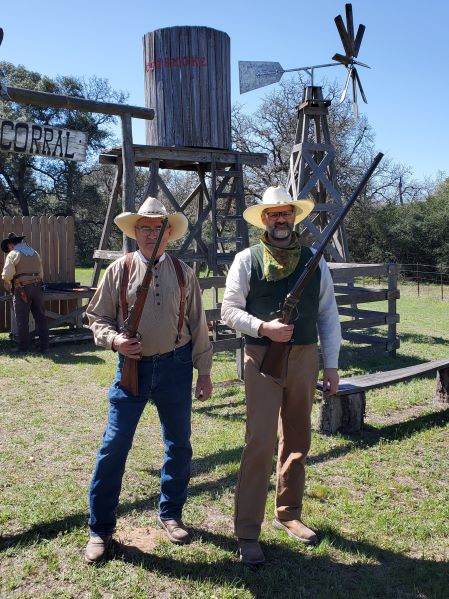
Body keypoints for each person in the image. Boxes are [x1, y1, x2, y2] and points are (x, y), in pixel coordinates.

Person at [84, 196, 213, 563]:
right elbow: (96, 317)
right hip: (133, 370)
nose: (151, 234)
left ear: (168, 233)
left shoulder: (184, 273)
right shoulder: (119, 270)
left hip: (176, 366)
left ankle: (171, 514)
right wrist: (116, 341)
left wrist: (204, 372)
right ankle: (100, 529)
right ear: (135, 232)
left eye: (158, 228)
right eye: (145, 228)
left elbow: (198, 324)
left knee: (179, 444)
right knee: (114, 447)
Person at [221, 186, 341, 565]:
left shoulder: (314, 260)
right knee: (259, 440)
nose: (280, 219)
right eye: (273, 214)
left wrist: (332, 365)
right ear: (264, 220)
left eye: (285, 213)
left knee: (298, 437)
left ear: (293, 216)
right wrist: (263, 328)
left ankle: (289, 513)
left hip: (305, 356)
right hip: (261, 357)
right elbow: (228, 310)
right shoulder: (246, 259)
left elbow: (328, 315)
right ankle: (247, 530)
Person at [1, 232, 49, 353]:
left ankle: (23, 348)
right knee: (41, 317)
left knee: (22, 318)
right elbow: (41, 273)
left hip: (22, 288)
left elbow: (7, 275)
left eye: (8, 247)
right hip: (38, 287)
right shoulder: (34, 253)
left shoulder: (13, 254)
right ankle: (45, 346)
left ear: (11, 245)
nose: (9, 249)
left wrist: (8, 283)